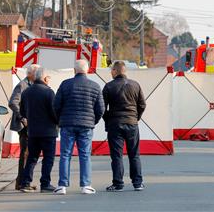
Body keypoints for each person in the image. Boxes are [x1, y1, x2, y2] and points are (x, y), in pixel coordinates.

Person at [53, 60, 104, 195]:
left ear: (74, 70)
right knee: (85, 155)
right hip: (86, 126)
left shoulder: (65, 84)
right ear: (87, 70)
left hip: (67, 124)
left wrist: (60, 119)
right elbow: (101, 109)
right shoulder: (95, 86)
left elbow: (56, 105)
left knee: (65, 154)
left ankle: (62, 185)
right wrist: (93, 121)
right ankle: (86, 185)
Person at [102, 61, 146, 192]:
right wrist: (135, 117)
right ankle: (137, 183)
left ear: (115, 71)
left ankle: (118, 183)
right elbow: (142, 104)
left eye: (112, 70)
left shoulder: (109, 86)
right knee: (134, 155)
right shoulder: (135, 85)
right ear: (125, 71)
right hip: (132, 123)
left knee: (116, 155)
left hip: (115, 124)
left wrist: (108, 119)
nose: (111, 72)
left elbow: (102, 107)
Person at [20, 68, 58, 193]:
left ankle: (26, 183)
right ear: (45, 78)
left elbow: (22, 112)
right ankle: (45, 183)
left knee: (32, 157)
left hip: (33, 131)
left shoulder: (26, 92)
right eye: (49, 78)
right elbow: (54, 112)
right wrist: (58, 122)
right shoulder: (49, 92)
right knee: (48, 158)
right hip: (48, 131)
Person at [9, 64, 40, 190]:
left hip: (31, 125)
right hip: (24, 126)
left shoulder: (31, 85)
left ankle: (24, 181)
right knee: (25, 154)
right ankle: (22, 182)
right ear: (31, 74)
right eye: (37, 73)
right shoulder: (22, 85)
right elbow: (13, 102)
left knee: (28, 153)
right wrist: (22, 118)